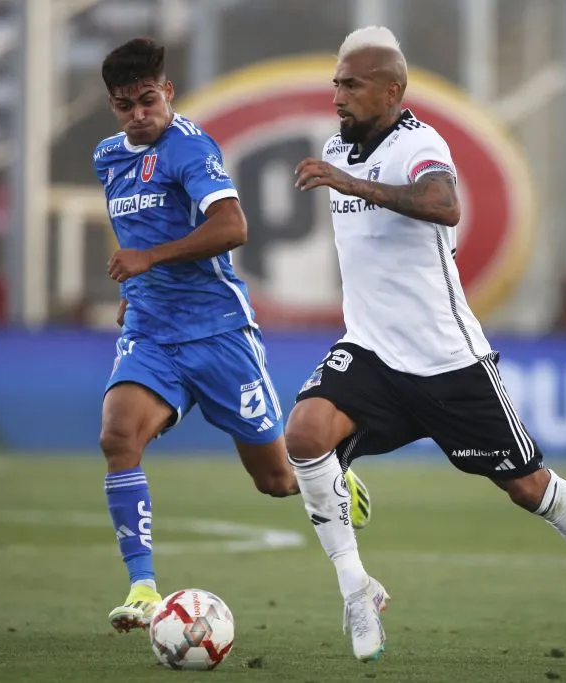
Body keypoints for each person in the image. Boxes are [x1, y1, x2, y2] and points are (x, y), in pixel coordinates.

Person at [285, 26, 566, 676]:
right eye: (337, 80)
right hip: (371, 351)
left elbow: (444, 204)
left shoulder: (418, 144)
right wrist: (346, 175)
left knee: (529, 487)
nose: (337, 92)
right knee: (305, 434)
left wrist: (355, 184)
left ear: (392, 90)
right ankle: (357, 588)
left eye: (352, 82)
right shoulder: (336, 145)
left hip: (447, 362)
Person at [92, 38, 372, 634]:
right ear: (113, 107)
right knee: (118, 437)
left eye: (148, 100)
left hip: (218, 333)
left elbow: (232, 226)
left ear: (166, 92)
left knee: (276, 480)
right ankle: (143, 588)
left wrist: (150, 259)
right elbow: (142, 228)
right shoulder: (107, 158)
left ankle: (334, 465)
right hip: (151, 333)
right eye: (125, 105)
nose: (139, 114)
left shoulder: (190, 148)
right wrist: (135, 288)